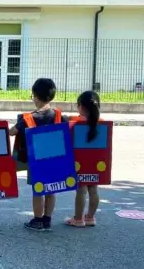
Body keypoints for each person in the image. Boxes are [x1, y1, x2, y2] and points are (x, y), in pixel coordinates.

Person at [9, 78, 68, 232]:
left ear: (35, 96)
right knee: (51, 190)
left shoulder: (28, 118)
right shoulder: (59, 115)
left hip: (36, 161)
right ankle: (47, 220)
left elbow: (12, 132)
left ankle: (37, 220)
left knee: (38, 190)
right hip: (55, 159)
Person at [64, 90, 101, 228]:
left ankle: (78, 219)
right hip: (96, 162)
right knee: (94, 189)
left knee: (81, 189)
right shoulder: (101, 123)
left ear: (81, 106)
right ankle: (90, 217)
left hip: (80, 162)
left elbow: (68, 122)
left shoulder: (75, 122)